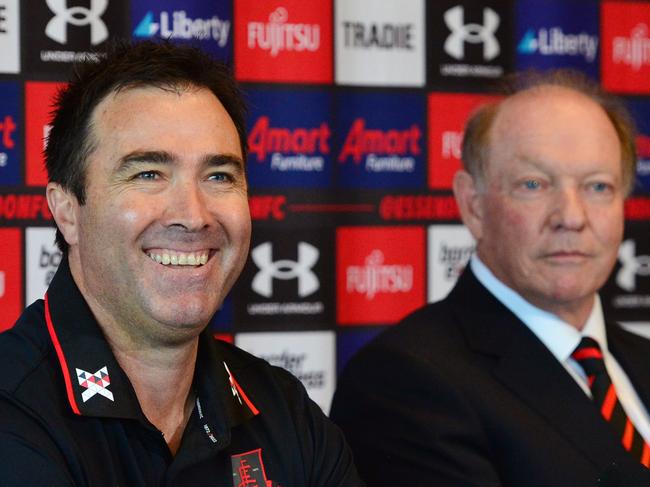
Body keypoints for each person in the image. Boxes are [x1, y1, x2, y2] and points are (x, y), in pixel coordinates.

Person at [0, 41, 362, 486]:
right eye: (148, 174)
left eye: (219, 176)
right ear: (67, 210)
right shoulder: (11, 410)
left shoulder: (286, 411)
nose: (193, 215)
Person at [331, 70, 650, 486]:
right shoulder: (402, 381)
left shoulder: (641, 357)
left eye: (598, 187)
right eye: (534, 184)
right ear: (473, 204)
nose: (572, 217)